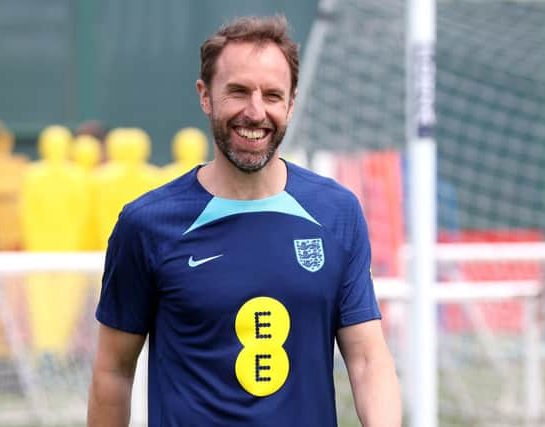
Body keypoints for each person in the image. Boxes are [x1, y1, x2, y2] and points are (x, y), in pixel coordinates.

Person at [87, 15, 402, 426]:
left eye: (272, 96)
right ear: (205, 96)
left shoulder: (336, 212)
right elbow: (113, 371)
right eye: (238, 92)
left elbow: (366, 360)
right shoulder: (147, 224)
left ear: (290, 104)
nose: (256, 112)